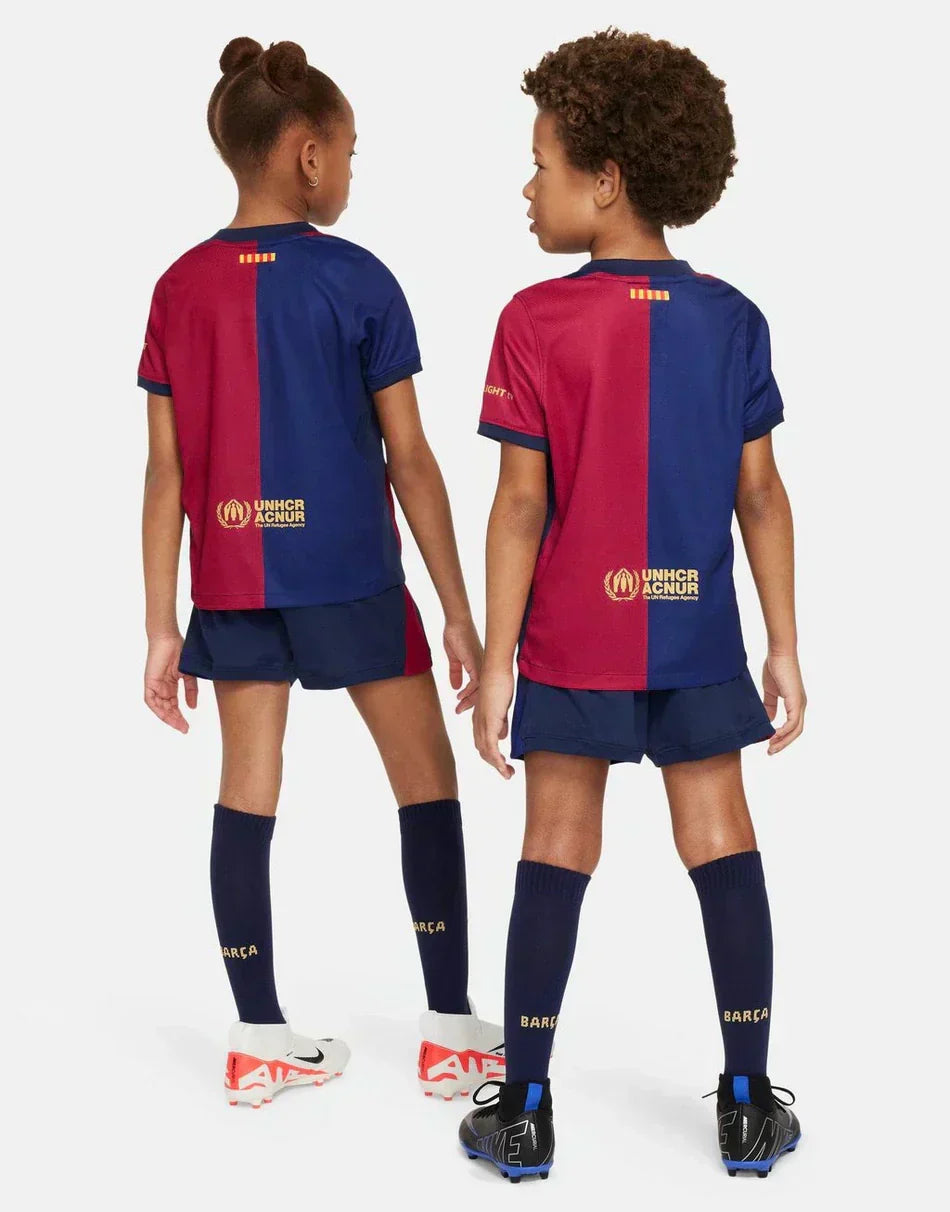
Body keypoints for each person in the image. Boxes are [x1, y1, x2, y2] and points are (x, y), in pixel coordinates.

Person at [459, 29, 802, 1180]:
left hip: (573, 640)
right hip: (696, 635)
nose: (527, 187)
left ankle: (522, 1109)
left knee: (555, 842)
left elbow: (518, 506)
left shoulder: (532, 321)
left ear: (604, 179)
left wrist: (496, 661)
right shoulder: (732, 318)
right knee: (720, 837)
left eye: (540, 164)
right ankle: (746, 1105)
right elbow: (761, 496)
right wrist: (781, 645)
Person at [139, 37, 504, 1110]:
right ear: (307, 156)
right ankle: (450, 1032)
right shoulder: (356, 278)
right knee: (425, 782)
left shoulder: (177, 287)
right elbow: (411, 460)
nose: (348, 171)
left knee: (245, 790)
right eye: (347, 151)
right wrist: (458, 613)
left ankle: (257, 1038)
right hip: (350, 579)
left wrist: (161, 622)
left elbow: (166, 472)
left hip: (232, 583)